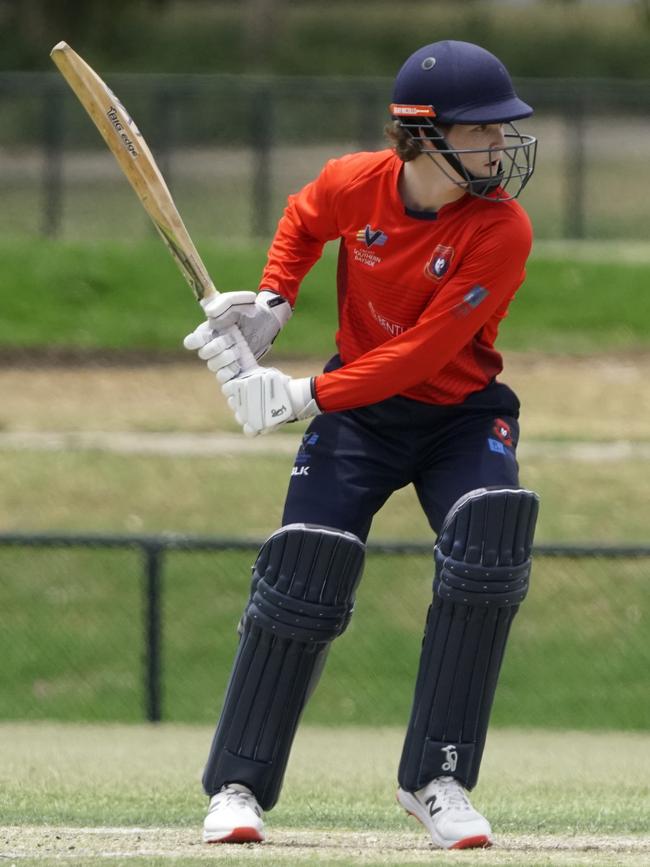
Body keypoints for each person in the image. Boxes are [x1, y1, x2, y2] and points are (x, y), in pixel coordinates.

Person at [184, 39, 540, 850]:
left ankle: (436, 778)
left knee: (489, 543)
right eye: (484, 130)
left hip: (460, 410)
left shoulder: (501, 229)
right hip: (360, 420)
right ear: (425, 133)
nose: (502, 144)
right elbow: (306, 219)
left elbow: (423, 351)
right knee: (304, 567)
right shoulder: (357, 184)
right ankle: (238, 785)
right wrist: (274, 303)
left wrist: (302, 393)